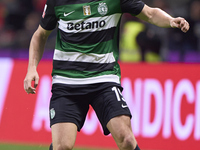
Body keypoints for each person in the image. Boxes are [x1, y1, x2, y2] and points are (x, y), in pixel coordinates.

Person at [24, 0, 189, 149]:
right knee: (63, 147)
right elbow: (40, 35)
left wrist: (171, 20)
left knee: (127, 140)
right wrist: (32, 68)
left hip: (104, 80)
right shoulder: (57, 2)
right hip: (67, 83)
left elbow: (150, 13)